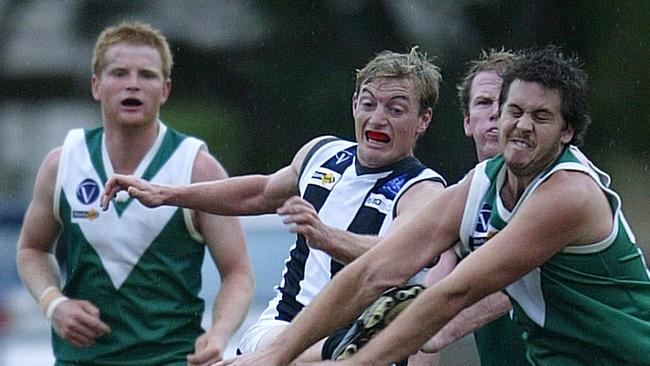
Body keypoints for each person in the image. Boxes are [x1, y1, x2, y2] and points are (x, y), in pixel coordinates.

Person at [212, 45, 650, 366]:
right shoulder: (484, 181)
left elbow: (456, 292)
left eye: (541, 116)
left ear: (568, 131)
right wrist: (275, 355)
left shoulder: (566, 195)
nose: (520, 126)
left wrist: (354, 364)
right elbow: (378, 269)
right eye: (512, 110)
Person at [101, 47, 447, 364]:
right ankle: (326, 349)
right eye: (369, 104)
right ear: (355, 103)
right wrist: (165, 193)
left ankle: (333, 347)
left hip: (366, 344)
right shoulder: (322, 154)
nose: (378, 118)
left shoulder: (423, 189)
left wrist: (327, 237)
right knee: (281, 350)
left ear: (424, 120)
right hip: (282, 325)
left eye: (396, 109)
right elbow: (260, 192)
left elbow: (397, 253)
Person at [16, 21, 254, 366]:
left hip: (172, 358)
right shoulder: (62, 163)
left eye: (147, 75)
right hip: (81, 360)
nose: (132, 84)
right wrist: (54, 303)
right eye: (119, 73)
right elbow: (31, 249)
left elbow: (238, 272)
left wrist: (218, 334)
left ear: (165, 89)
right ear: (97, 86)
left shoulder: (196, 168)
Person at [415, 49, 528, 365]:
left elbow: (515, 280)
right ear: (467, 122)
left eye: (506, 103)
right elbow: (430, 295)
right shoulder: (465, 200)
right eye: (483, 102)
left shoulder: (552, 187)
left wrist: (428, 332)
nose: (495, 112)